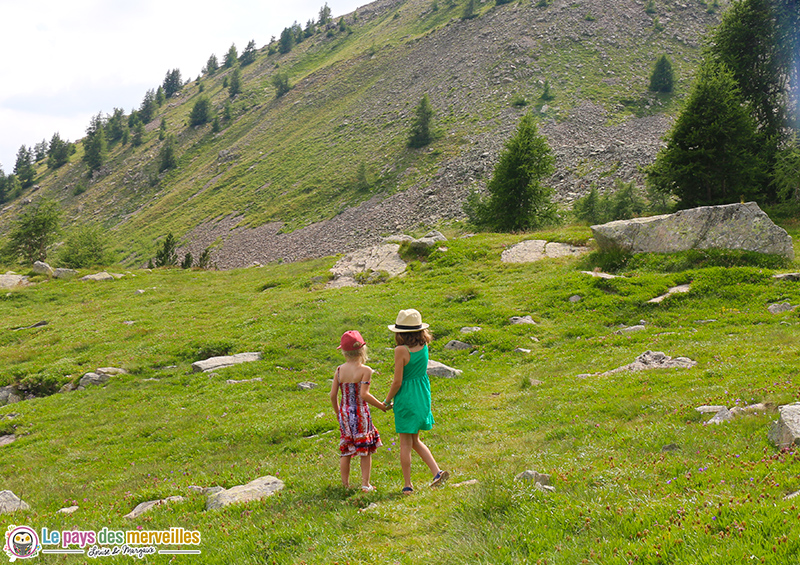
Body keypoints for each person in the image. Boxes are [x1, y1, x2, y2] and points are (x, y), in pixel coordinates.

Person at [385, 309, 449, 494]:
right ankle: (437, 472)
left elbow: (397, 381)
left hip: (406, 397)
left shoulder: (400, 350)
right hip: (422, 394)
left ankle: (407, 485)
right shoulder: (424, 346)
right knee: (415, 440)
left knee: (405, 443)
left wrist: (387, 400)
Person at [330, 330, 387, 491]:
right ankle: (365, 483)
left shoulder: (339, 370)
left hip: (344, 412)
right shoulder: (366, 370)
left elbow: (333, 394)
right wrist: (382, 406)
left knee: (346, 449)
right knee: (365, 449)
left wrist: (337, 412)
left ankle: (345, 485)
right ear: (362, 350)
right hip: (360, 413)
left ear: (343, 351)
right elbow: (364, 395)